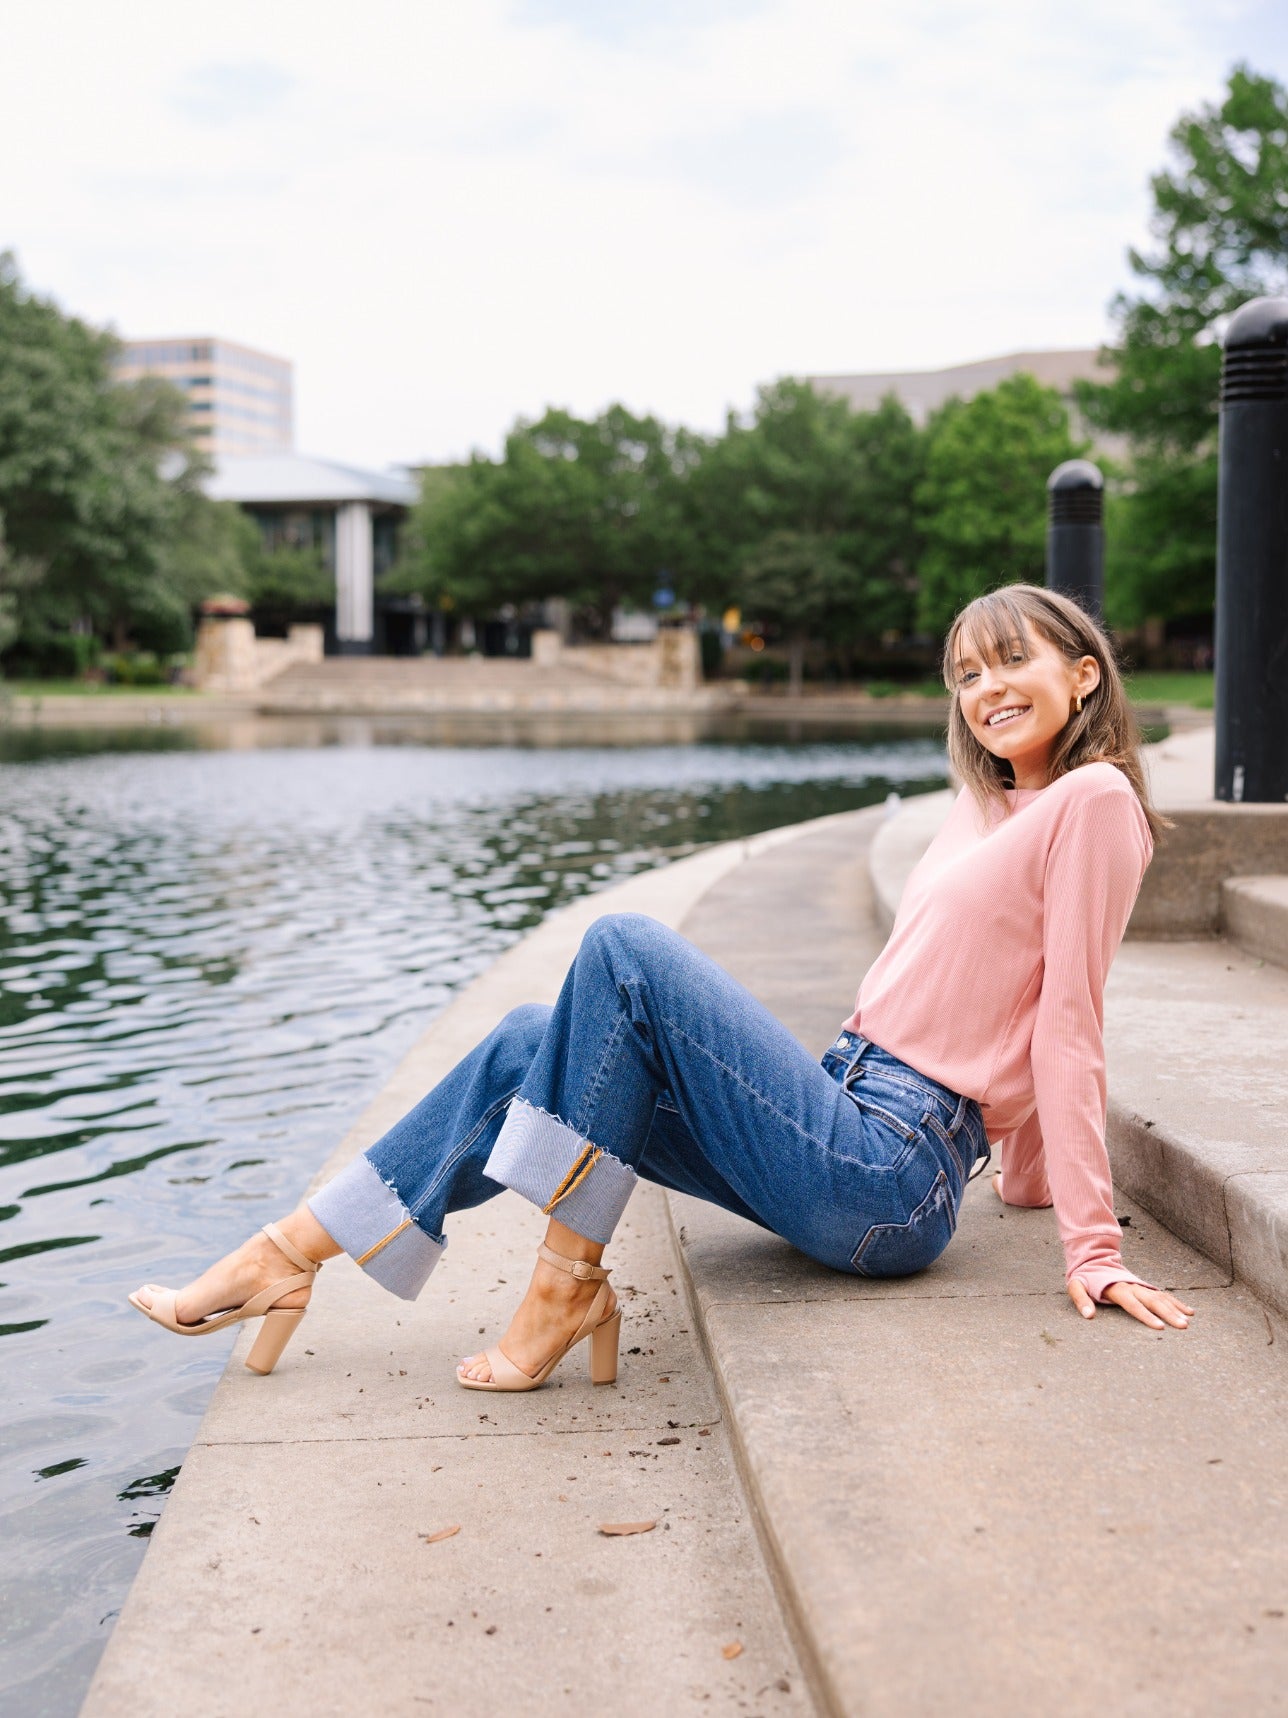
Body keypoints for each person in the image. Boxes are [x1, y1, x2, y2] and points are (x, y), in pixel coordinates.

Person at [129, 584, 1194, 1389]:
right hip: (845, 1113)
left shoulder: (1095, 799)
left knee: (626, 947)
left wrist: (1090, 1246)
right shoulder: (990, 800)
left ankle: (564, 1285)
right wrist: (1023, 1176)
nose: (985, 689)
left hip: (887, 1171)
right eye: (964, 673)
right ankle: (285, 1255)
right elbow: (1000, 984)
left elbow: (1068, 1019)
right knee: (528, 1039)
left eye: (1010, 661)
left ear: (1083, 674)